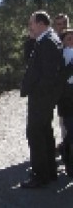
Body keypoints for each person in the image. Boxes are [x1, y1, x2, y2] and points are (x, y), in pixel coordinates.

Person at [20, 10, 64, 188]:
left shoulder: (48, 42)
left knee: (35, 134)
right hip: (44, 97)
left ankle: (40, 175)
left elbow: (48, 75)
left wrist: (37, 92)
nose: (30, 26)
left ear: (41, 24)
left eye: (32, 23)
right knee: (45, 133)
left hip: (41, 97)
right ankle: (49, 171)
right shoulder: (48, 39)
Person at [56, 28, 73, 177]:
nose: (72, 40)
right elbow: (60, 76)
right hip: (67, 96)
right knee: (69, 130)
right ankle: (68, 162)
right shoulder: (60, 55)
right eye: (69, 38)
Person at [53, 13, 70, 155]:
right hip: (62, 89)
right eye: (58, 24)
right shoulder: (54, 41)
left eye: (63, 23)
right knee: (64, 119)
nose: (61, 27)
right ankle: (66, 145)